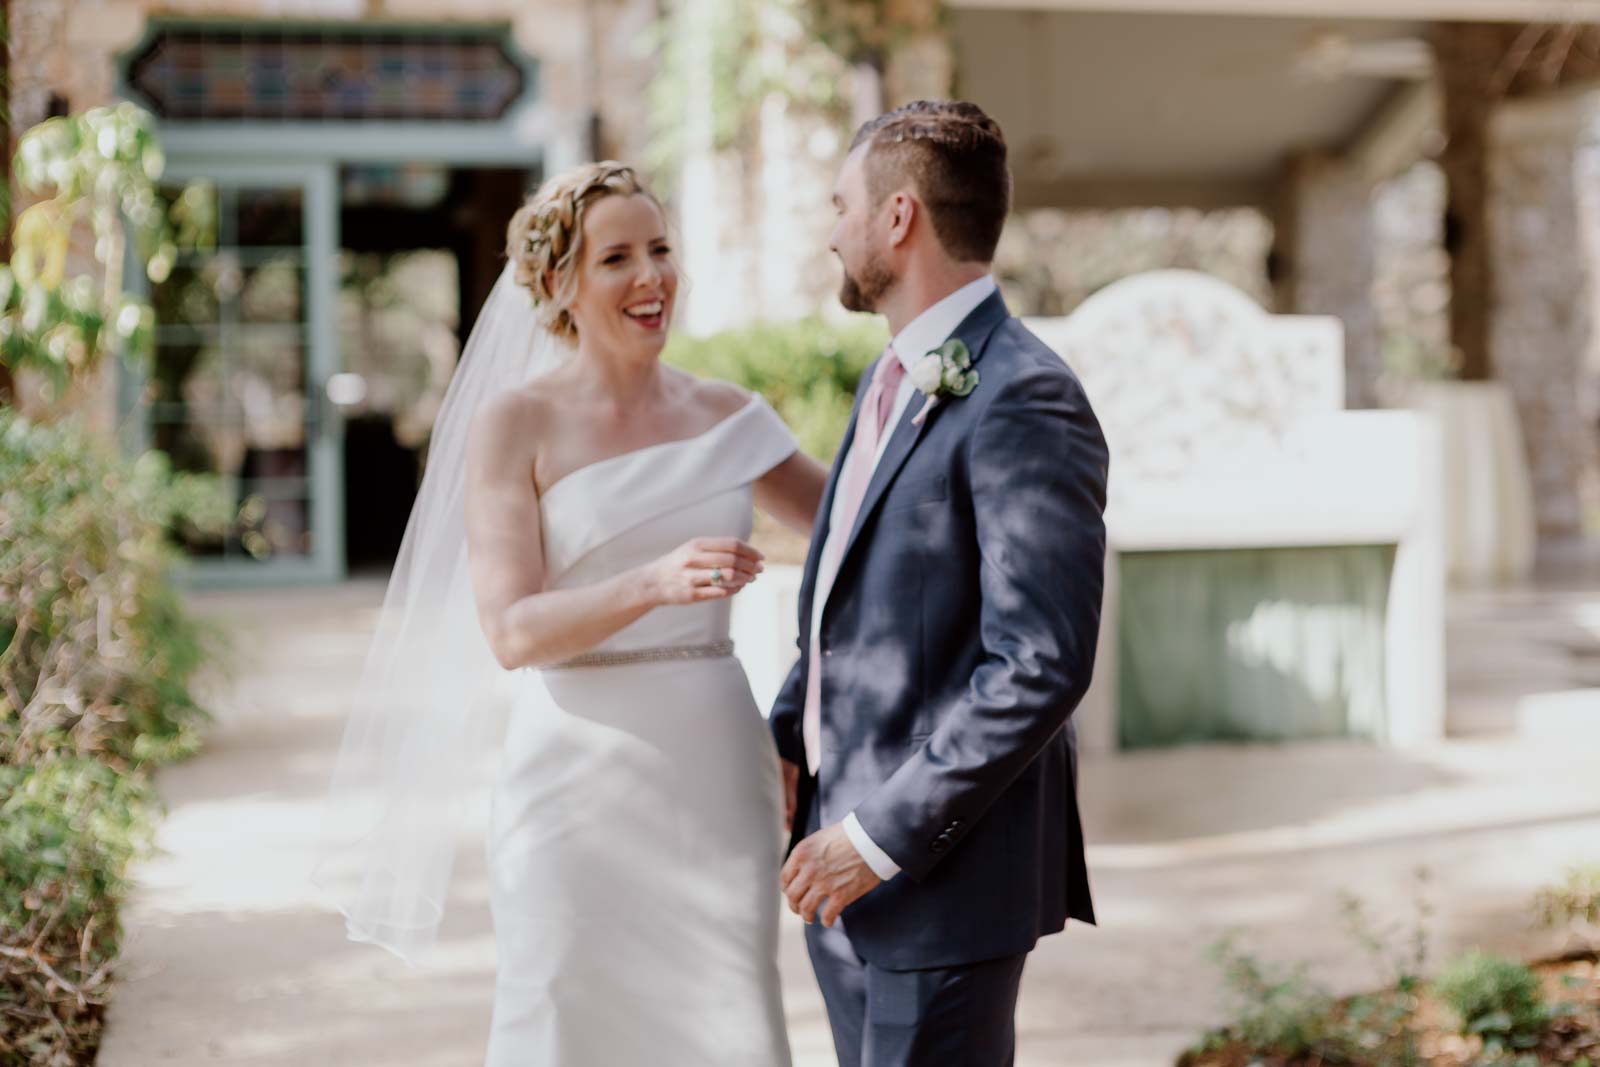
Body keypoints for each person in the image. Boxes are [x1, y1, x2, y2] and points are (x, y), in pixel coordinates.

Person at [319, 161, 827, 1066]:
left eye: (662, 250)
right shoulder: (515, 423)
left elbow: (863, 537)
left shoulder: (731, 416)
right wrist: (652, 583)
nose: (651, 277)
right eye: (617, 258)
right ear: (560, 284)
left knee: (730, 1019)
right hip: (570, 772)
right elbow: (511, 630)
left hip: (716, 767)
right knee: (562, 1008)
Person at [769, 99, 1111, 1067]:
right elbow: (850, 596)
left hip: (937, 881)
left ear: (897, 217)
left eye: (841, 204)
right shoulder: (890, 377)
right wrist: (792, 730)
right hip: (842, 877)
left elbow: (1040, 661)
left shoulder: (1024, 394)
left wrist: (876, 836)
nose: (831, 228)